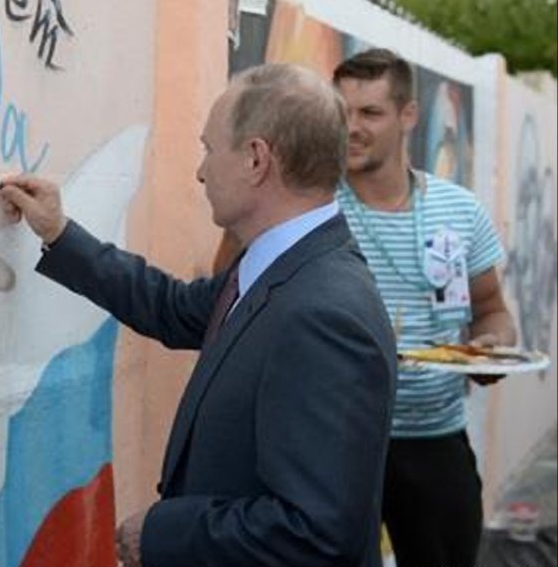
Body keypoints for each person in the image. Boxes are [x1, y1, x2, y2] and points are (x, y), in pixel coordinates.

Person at [0, 64, 396, 566]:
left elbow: (314, 533)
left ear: (256, 159)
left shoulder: (323, 314)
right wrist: (59, 233)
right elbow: (171, 307)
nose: (201, 171)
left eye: (209, 149)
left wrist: (164, 533)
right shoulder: (283, 267)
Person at [215, 49, 517, 566]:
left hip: (434, 443)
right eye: (343, 112)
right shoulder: (306, 205)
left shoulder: (460, 210)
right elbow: (230, 292)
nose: (352, 128)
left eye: (370, 113)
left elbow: (493, 310)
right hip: (329, 449)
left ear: (408, 115)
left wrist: (493, 348)